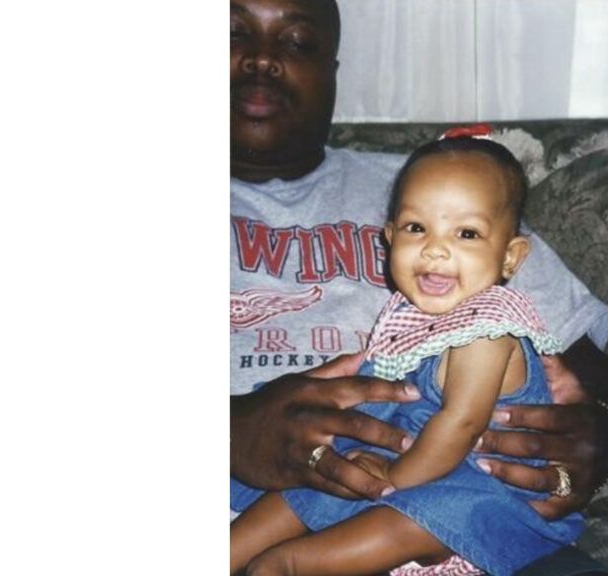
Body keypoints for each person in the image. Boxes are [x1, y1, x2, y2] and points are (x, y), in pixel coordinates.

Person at [229, 0, 608, 573]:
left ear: (334, 71)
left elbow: (589, 369)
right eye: (234, 33)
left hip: (436, 493)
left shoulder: (446, 184)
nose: (263, 61)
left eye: (296, 42)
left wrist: (600, 434)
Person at [231, 134, 588, 576]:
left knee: (298, 556)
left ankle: (282, 565)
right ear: (389, 237)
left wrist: (391, 482)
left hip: (472, 483)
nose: (435, 249)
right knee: (310, 485)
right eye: (416, 228)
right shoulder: (405, 311)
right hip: (407, 455)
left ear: (511, 258)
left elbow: (460, 422)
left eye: (467, 233)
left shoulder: (489, 329)